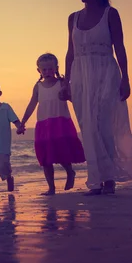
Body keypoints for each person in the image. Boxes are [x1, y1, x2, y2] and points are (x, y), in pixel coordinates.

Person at [59, 0, 132, 195]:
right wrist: (67, 82)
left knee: (102, 123)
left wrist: (126, 78)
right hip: (80, 75)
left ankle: (109, 179)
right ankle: (95, 180)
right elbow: (70, 52)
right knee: (87, 126)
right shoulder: (73, 17)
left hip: (106, 73)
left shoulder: (110, 13)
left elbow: (119, 47)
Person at [19, 53, 85, 195]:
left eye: (50, 69)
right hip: (43, 124)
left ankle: (70, 172)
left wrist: (69, 96)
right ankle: (51, 188)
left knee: (62, 152)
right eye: (44, 70)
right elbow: (32, 104)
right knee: (45, 157)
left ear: (56, 68)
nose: (47, 72)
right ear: (39, 71)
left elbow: (74, 99)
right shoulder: (38, 86)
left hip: (61, 122)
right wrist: (23, 121)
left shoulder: (62, 83)